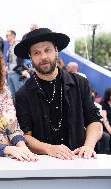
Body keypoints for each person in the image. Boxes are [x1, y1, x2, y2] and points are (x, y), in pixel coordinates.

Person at [14, 28, 102, 160]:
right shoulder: (23, 94)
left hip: (79, 160)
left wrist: (88, 146)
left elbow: (94, 121)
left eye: (47, 50)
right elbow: (25, 136)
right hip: (42, 165)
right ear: (30, 57)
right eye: (37, 52)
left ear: (56, 50)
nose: (43, 57)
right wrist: (49, 148)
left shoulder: (80, 83)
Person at [5, 30, 30, 99]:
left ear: (13, 36)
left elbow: (22, 60)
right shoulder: (9, 46)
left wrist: (23, 70)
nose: (6, 37)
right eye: (6, 36)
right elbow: (9, 60)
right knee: (11, 96)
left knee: (19, 94)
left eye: (7, 35)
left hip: (17, 73)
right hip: (9, 73)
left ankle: (22, 109)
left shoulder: (18, 45)